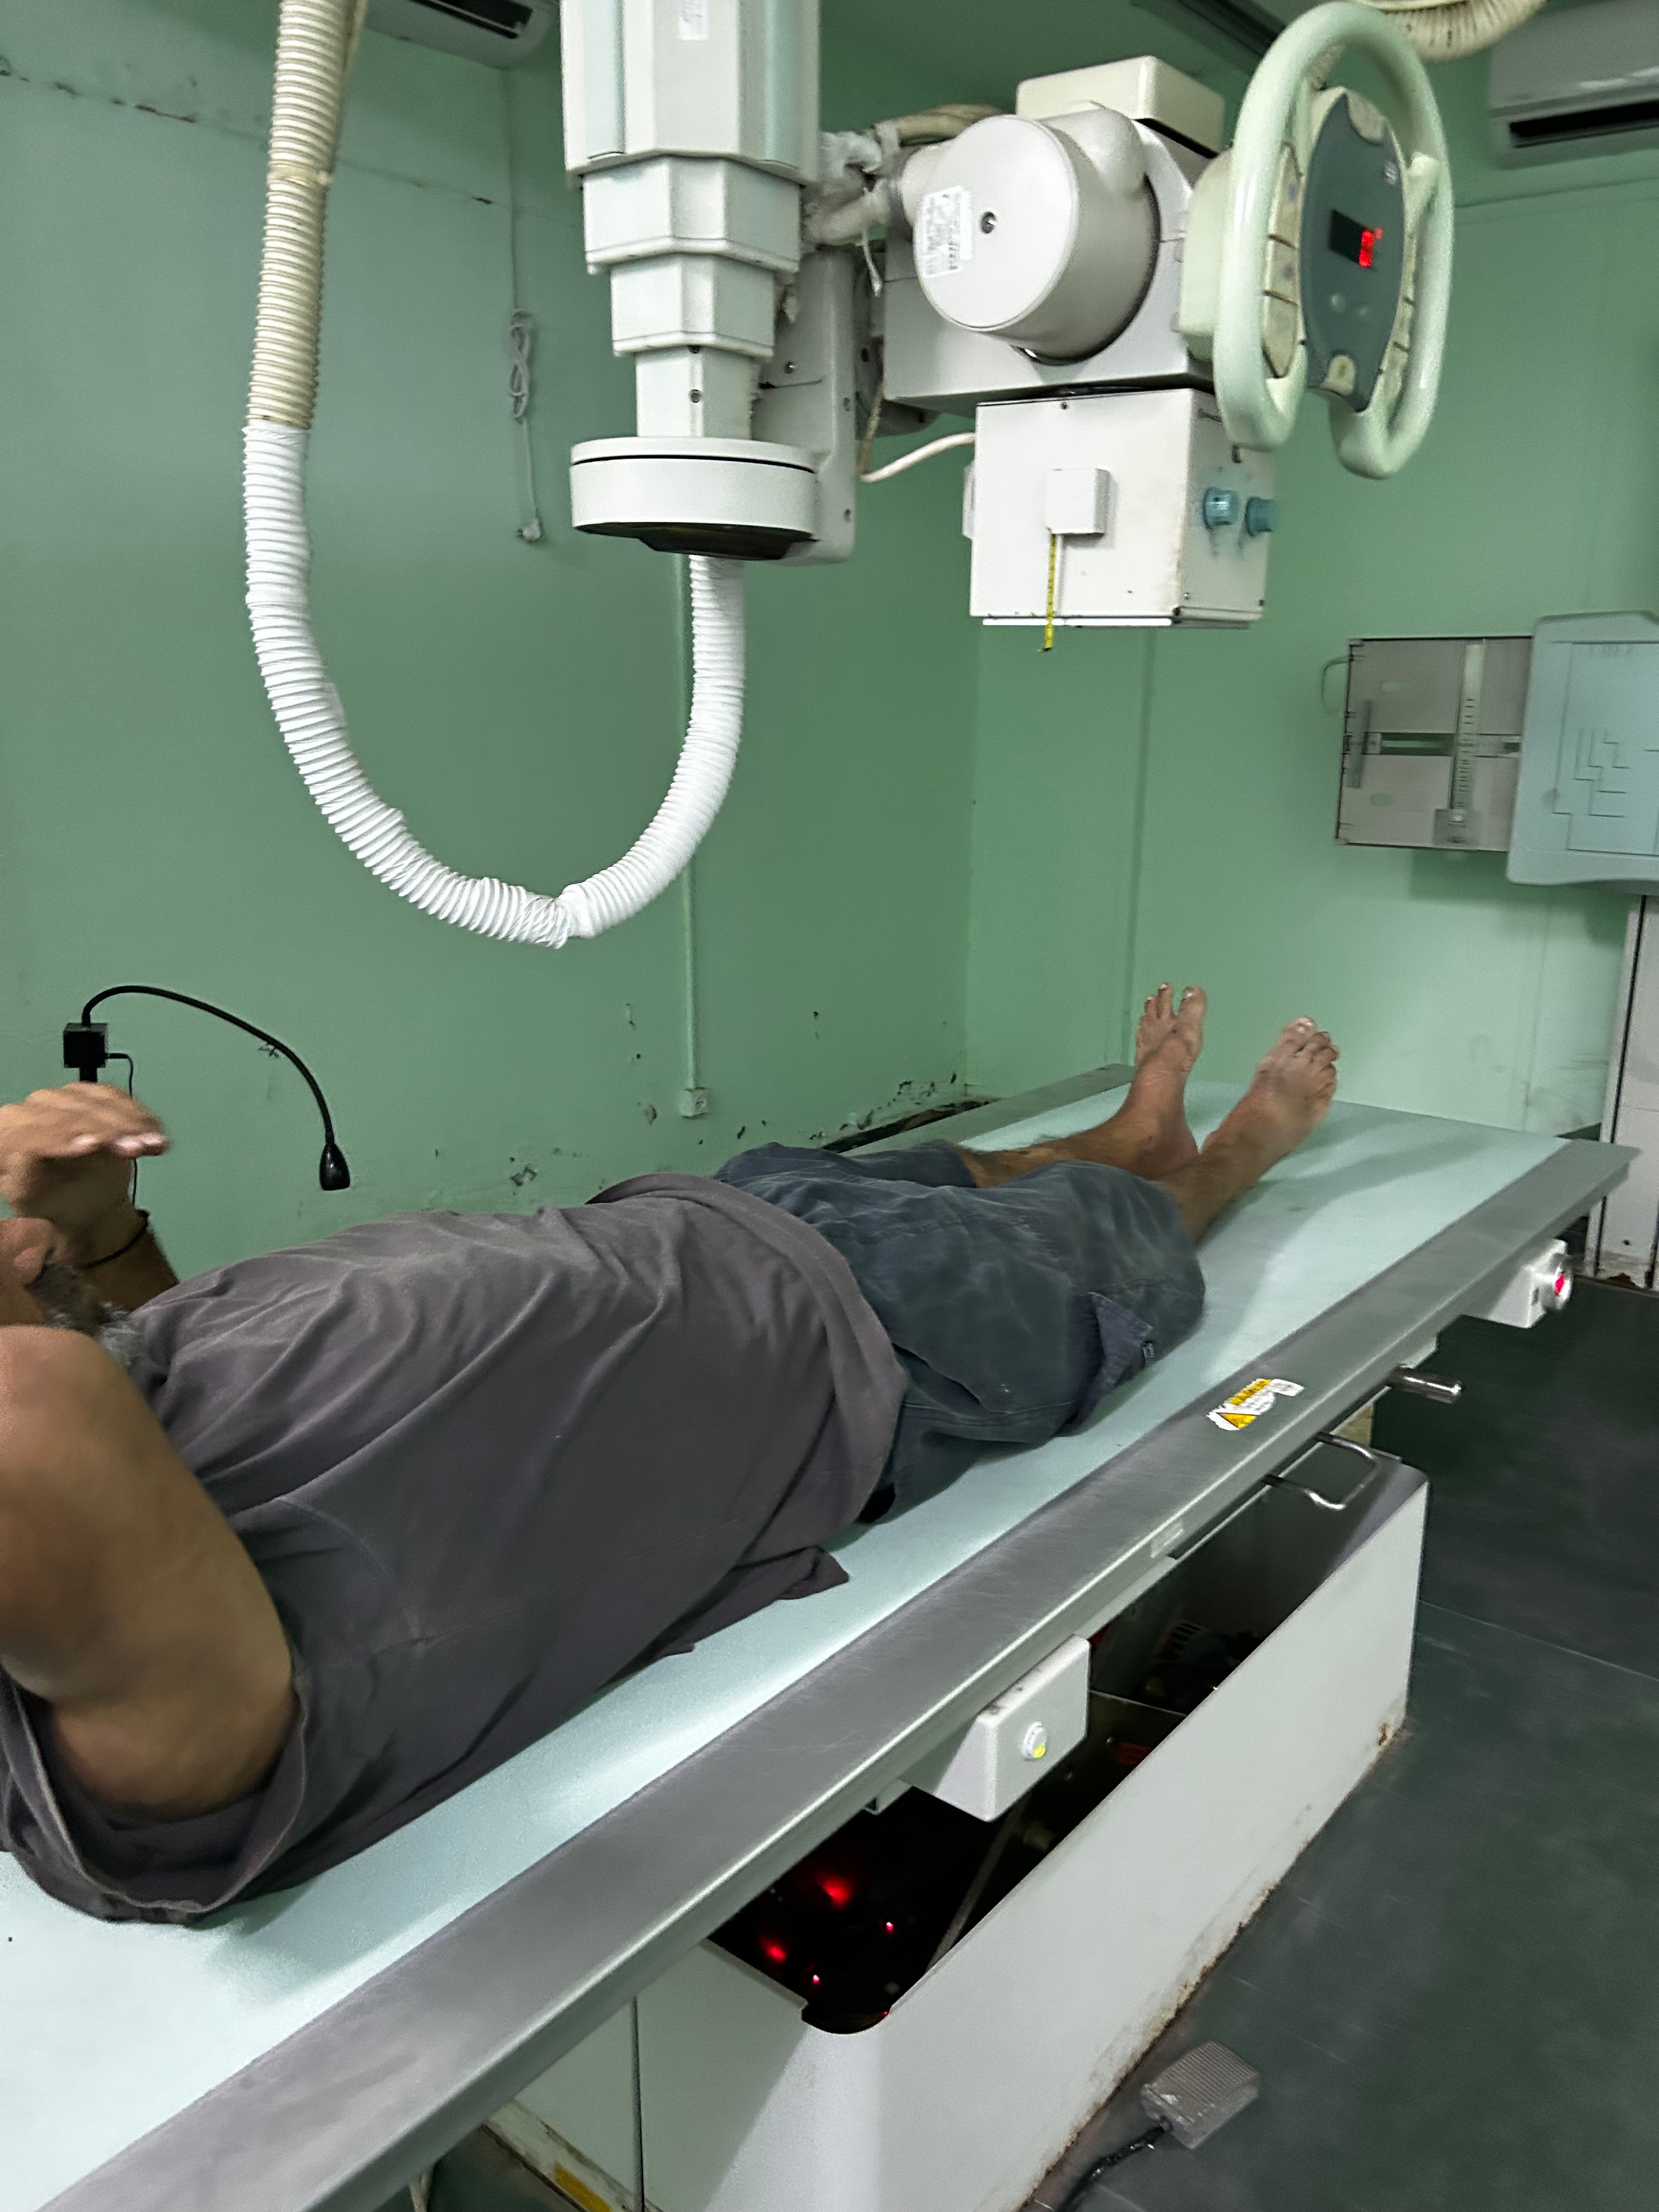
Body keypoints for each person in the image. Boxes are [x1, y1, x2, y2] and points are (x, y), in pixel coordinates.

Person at [0, 988, 1337, 1923]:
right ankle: (1223, 1161)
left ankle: (1122, 1138)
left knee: (975, 1169)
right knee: (1110, 1239)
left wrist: (106, 1241)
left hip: (695, 1219)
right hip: (867, 1341)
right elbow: (48, 1429)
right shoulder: (142, 1760)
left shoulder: (118, 1515)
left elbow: (147, 1405)